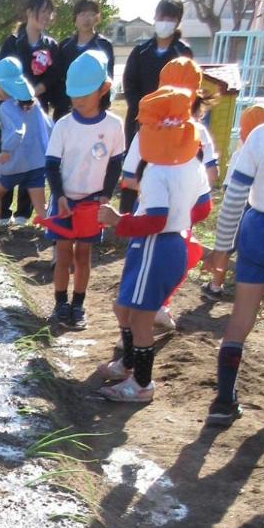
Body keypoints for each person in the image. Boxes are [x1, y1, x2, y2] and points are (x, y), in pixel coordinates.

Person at [96, 87, 213, 404]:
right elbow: (203, 208)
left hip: (154, 246)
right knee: (124, 307)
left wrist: (119, 221)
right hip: (172, 244)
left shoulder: (157, 173)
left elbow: (156, 219)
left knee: (140, 318)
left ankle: (141, 384)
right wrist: (181, 216)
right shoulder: (193, 165)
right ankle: (129, 364)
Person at [203, 42, 264, 424]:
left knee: (241, 315)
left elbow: (235, 194)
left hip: (257, 226)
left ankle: (224, 399)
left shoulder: (261, 135)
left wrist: (222, 248)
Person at [44, 48, 125, 327]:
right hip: (65, 199)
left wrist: (105, 196)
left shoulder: (114, 126)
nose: (76, 99)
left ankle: (78, 304)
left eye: (84, 94)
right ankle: (59, 303)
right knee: (63, 252)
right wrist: (60, 196)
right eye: (73, 94)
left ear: (103, 89)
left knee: (83, 254)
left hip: (92, 201)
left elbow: (115, 164)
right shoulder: (64, 126)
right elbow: (52, 164)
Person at [203, 100, 264, 301]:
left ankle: (215, 285)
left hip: (240, 207)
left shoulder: (242, 152)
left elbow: (231, 185)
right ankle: (256, 291)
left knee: (227, 248)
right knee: (256, 253)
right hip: (261, 208)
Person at [0, 0, 60, 222]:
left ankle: (24, 211)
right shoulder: (12, 42)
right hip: (11, 109)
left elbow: (52, 78)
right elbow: (2, 75)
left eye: (48, 12)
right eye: (40, 10)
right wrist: (18, 97)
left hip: (36, 111)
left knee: (33, 155)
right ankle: (3, 210)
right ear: (29, 12)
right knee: (7, 153)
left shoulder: (51, 46)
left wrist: (32, 94)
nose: (44, 16)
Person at [119, 0, 196, 181]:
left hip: (171, 122)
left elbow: (187, 87)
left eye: (171, 18)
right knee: (135, 169)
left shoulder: (182, 52)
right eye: (162, 16)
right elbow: (129, 83)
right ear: (155, 16)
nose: (165, 21)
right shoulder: (140, 51)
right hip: (140, 119)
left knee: (163, 169)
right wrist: (144, 110)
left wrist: (166, 116)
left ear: (177, 22)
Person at [0, 56, 51, 238]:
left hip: (15, 164)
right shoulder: (34, 103)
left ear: (2, 86)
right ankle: (58, 234)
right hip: (38, 164)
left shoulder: (6, 107)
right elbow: (48, 125)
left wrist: (6, 150)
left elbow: (17, 131)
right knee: (41, 207)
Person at [49, 0, 116, 119]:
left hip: (94, 111)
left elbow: (107, 78)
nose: (87, 19)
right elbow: (57, 77)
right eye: (82, 14)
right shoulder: (65, 46)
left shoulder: (103, 45)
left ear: (97, 17)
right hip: (66, 111)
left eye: (91, 14)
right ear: (75, 18)